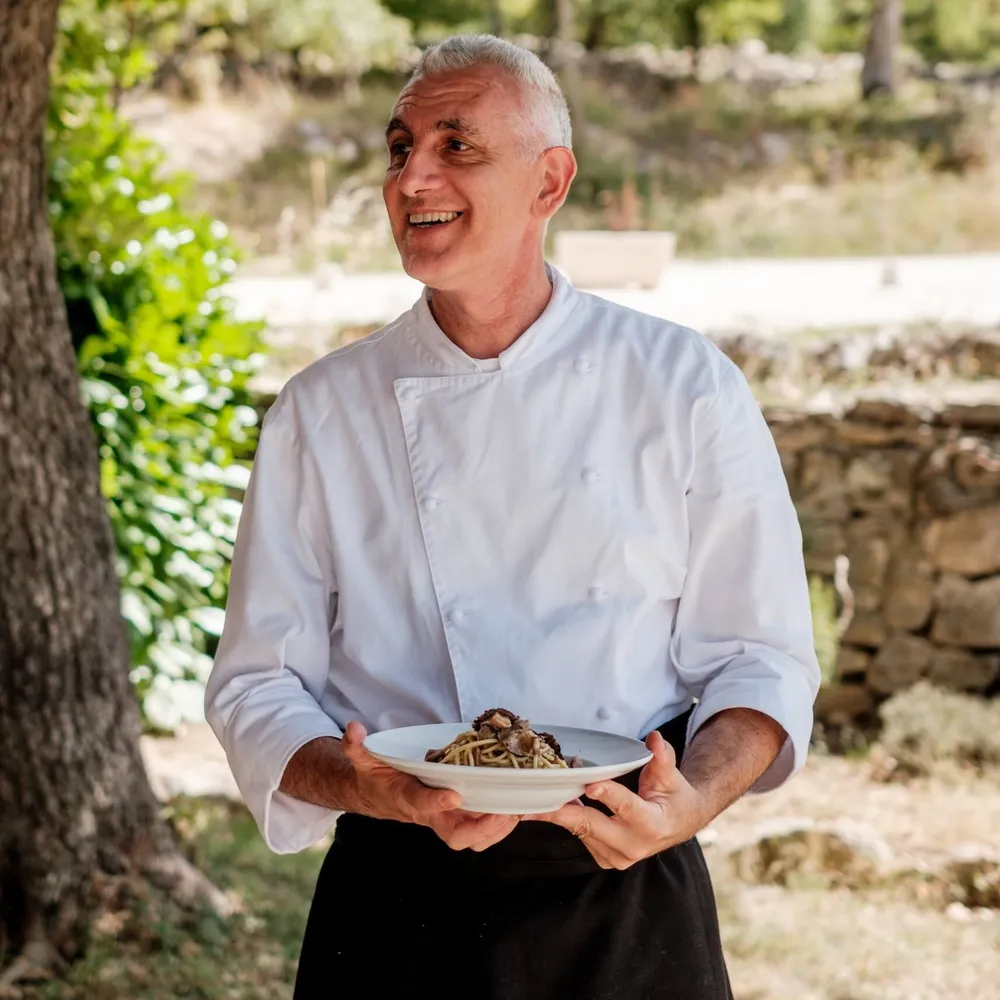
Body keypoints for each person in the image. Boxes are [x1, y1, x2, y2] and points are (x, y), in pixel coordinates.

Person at [205, 33, 821, 1000]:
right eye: (399, 145)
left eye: (458, 146)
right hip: (394, 896)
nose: (413, 176)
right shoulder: (321, 411)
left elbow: (761, 656)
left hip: (622, 887)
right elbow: (256, 685)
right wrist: (368, 785)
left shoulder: (681, 384)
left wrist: (691, 800)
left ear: (550, 181)